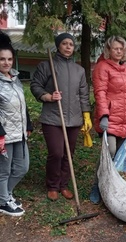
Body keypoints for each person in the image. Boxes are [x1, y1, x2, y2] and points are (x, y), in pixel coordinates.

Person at [30, 33, 92, 201]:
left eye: (71, 44)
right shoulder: (47, 65)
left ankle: (63, 185)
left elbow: (84, 95)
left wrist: (86, 116)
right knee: (56, 153)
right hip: (52, 118)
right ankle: (52, 185)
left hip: (73, 119)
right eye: (64, 43)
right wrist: (47, 96)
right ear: (58, 46)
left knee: (68, 154)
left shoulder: (79, 70)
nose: (68, 47)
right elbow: (35, 85)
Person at [89, 36, 126, 204]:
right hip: (109, 117)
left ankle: (110, 186)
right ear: (108, 50)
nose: (118, 51)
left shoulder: (125, 69)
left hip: (123, 117)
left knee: (118, 155)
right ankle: (97, 186)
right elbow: (100, 92)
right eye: (115, 48)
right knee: (109, 151)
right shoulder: (102, 67)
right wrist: (103, 115)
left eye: (121, 49)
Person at [0, 32, 33, 216]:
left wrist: (27, 125)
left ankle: (5, 194)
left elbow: (23, 105)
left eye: (9, 59)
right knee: (3, 171)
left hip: (19, 133)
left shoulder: (16, 79)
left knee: (22, 167)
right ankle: (3, 201)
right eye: (2, 59)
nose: (6, 63)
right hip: (4, 135)